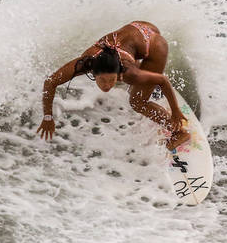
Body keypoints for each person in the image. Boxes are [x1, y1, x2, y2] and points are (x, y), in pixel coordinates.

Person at [37, 21, 192, 150]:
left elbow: (162, 80)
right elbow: (50, 82)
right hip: (139, 28)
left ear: (119, 73)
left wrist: (176, 111)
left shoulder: (129, 73)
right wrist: (48, 116)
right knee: (138, 85)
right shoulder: (84, 63)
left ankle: (179, 133)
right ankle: (147, 82)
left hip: (155, 44)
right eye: (103, 81)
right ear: (92, 72)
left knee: (137, 102)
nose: (107, 86)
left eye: (111, 80)